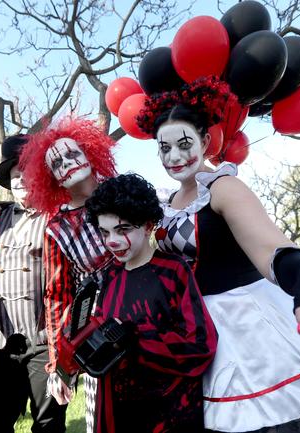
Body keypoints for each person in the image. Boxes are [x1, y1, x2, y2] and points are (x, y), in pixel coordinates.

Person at [134, 76, 300, 433]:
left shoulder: (223, 188)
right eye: (165, 149)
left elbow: (271, 248)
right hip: (193, 330)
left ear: (206, 141)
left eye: (183, 144)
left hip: (247, 324)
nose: (174, 157)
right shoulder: (165, 204)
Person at [85, 174, 217, 433]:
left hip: (169, 414)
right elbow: (102, 335)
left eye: (123, 230)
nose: (112, 240)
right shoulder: (110, 275)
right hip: (119, 411)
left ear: (147, 225)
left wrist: (136, 339)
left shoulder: (173, 270)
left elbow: (201, 345)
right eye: (105, 232)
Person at [19, 117, 117, 433]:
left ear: (90, 153)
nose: (68, 163)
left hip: (153, 317)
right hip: (104, 332)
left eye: (73, 154)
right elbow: (58, 297)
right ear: (53, 178)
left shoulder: (123, 192)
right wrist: (58, 365)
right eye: (57, 162)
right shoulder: (58, 229)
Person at [0, 134, 68, 433]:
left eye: (27, 172)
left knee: (49, 425)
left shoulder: (59, 217)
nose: (21, 180)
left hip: (45, 344)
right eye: (16, 175)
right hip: (4, 346)